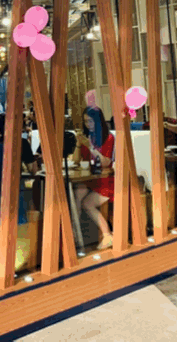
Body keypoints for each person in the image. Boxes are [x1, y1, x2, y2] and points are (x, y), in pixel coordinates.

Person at [73, 106, 116, 250]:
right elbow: (75, 161)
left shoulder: (108, 137)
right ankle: (77, 234)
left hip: (106, 180)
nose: (88, 125)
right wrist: (79, 144)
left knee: (87, 203)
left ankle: (107, 235)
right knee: (77, 194)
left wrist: (90, 147)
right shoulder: (88, 137)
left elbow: (106, 162)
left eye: (91, 121)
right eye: (86, 121)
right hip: (91, 180)